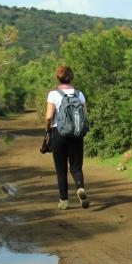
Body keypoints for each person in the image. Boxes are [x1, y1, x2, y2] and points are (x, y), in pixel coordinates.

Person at [45, 65, 89, 211]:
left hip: (59, 133)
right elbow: (85, 116)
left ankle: (64, 200)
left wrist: (47, 129)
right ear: (72, 77)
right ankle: (80, 187)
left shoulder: (53, 94)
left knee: (61, 168)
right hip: (77, 133)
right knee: (76, 167)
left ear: (58, 78)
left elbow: (49, 116)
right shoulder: (79, 94)